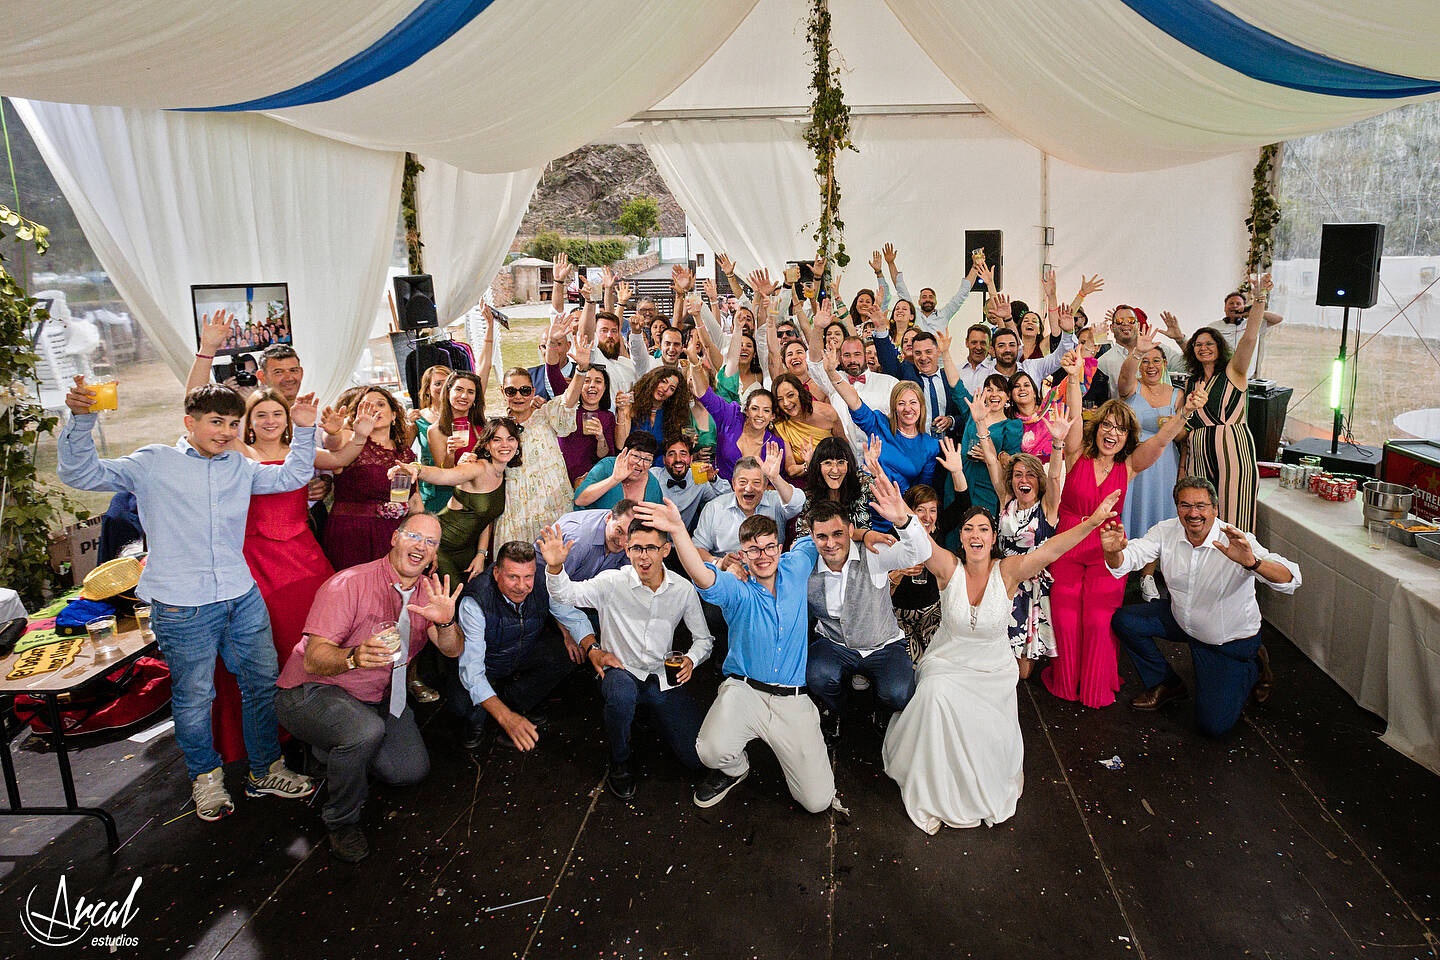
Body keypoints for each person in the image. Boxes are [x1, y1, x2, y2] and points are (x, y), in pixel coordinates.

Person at [58, 379, 317, 821]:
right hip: (181, 604)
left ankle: (265, 771)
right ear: (189, 422)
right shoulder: (153, 462)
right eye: (216, 422)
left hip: (241, 594)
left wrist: (306, 430)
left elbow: (292, 476)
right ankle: (206, 779)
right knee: (196, 697)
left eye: (233, 423)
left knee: (260, 684)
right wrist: (83, 420)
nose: (225, 431)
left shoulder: (239, 464)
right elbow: (80, 475)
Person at [883, 491, 1122, 834]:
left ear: (994, 537)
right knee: (935, 691)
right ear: (961, 537)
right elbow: (919, 538)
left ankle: (979, 782)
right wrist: (901, 514)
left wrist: (1093, 522)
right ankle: (936, 785)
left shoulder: (1008, 571)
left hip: (992, 669)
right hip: (948, 661)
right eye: (968, 529)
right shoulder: (948, 567)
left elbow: (1051, 549)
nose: (976, 535)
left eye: (983, 529)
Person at [273, 514, 465, 862]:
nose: (421, 547)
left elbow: (452, 649)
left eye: (431, 542)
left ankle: (327, 750)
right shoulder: (349, 583)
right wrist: (355, 657)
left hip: (377, 697)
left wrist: (448, 621)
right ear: (394, 538)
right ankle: (341, 821)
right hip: (313, 690)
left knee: (409, 772)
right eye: (414, 536)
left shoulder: (428, 594)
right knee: (365, 731)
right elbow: (314, 660)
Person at [634, 500, 839, 816]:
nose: (763, 556)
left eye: (769, 548)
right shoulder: (736, 587)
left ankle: (801, 744)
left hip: (791, 700)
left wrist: (865, 535)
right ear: (743, 554)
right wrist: (677, 530)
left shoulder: (797, 564)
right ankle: (735, 768)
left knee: (817, 801)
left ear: (780, 547)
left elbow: (826, 536)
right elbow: (702, 575)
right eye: (754, 550)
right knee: (710, 751)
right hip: (745, 690)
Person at [1044, 354, 1206, 709]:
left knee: (1100, 620)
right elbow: (1072, 418)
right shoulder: (1075, 456)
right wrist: (1073, 379)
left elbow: (1163, 440)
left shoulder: (1130, 466)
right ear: (1097, 428)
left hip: (1108, 548)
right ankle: (1067, 681)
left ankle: (1095, 685)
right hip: (1068, 544)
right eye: (1107, 425)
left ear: (1127, 436)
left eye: (1120, 428)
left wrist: (1186, 411)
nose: (1112, 433)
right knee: (1068, 618)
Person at [1104, 477, 1300, 736]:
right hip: (1182, 619)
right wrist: (1112, 551)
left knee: (1213, 727)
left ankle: (1254, 663)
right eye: (1185, 505)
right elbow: (1128, 559)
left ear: (1215, 509)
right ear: (1176, 508)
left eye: (1201, 506)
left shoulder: (1236, 540)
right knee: (1125, 621)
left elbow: (1291, 579)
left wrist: (1252, 563)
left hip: (1226, 640)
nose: (1193, 513)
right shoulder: (1166, 530)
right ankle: (1167, 684)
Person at [540, 519, 713, 799]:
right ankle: (619, 760)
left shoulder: (683, 589)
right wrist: (556, 567)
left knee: (695, 759)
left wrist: (692, 659)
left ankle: (645, 711)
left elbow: (704, 639)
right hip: (620, 670)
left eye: (651, 548)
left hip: (661, 677)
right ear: (628, 551)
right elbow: (565, 594)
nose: (643, 556)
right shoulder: (612, 581)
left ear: (666, 550)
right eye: (636, 549)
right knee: (621, 693)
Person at [210, 389, 337, 763]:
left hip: (304, 553)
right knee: (269, 646)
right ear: (247, 422)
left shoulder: (300, 448)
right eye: (260, 415)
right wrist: (207, 352)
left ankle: (322, 718)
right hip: (259, 558)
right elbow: (197, 404)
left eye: (276, 414)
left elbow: (337, 460)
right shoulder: (239, 452)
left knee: (316, 633)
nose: (269, 421)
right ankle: (273, 730)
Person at [803, 473, 931, 739]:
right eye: (822, 536)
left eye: (838, 534)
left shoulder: (872, 553)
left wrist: (904, 521)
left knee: (899, 693)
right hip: (834, 644)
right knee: (817, 676)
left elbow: (919, 553)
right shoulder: (805, 563)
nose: (830, 543)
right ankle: (837, 711)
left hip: (882, 644)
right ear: (812, 537)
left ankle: (880, 709)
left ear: (851, 531)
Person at [973, 414, 1072, 679]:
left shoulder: (1048, 508)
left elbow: (1053, 478)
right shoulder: (1006, 500)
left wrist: (1057, 442)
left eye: (1029, 474)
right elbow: (993, 462)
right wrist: (981, 425)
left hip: (1031, 588)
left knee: (1022, 673)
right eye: (1017, 475)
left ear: (1037, 481)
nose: (1023, 479)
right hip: (1000, 580)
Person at [456, 541, 578, 750]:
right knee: (462, 708)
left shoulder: (543, 578)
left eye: (527, 577)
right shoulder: (475, 600)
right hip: (488, 661)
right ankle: (482, 715)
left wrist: (589, 644)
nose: (522, 586)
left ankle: (515, 698)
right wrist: (506, 718)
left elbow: (567, 611)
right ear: (496, 573)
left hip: (522, 650)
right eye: (513, 577)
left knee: (568, 653)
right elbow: (472, 669)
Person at [1182, 275, 1270, 533]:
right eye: (1198, 345)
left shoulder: (1234, 371)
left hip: (1231, 448)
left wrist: (1259, 299)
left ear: (1220, 347)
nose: (1204, 348)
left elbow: (1250, 338)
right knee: (1199, 515)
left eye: (1209, 343)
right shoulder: (1192, 381)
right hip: (1198, 453)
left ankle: (1236, 569)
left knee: (1234, 514)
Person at [391, 417, 518, 581]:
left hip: (469, 550)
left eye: (510, 439)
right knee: (453, 599)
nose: (505, 445)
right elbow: (444, 475)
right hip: (442, 546)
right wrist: (417, 469)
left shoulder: (503, 473)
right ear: (487, 444)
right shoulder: (477, 468)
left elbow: (487, 517)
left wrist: (481, 554)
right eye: (497, 440)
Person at [1119, 331, 1186, 601]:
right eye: (1146, 361)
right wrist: (1137, 352)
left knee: (1159, 514)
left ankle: (1148, 575)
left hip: (1165, 461)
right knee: (1129, 512)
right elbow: (1124, 378)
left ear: (1165, 365)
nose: (1151, 366)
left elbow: (1182, 435)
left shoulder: (1178, 394)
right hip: (1135, 460)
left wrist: (1172, 428)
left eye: (1156, 361)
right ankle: (1121, 571)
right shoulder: (1132, 388)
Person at [321, 386, 420, 570]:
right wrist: (333, 432)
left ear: (394, 415)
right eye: (366, 405)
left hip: (394, 537)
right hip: (353, 534)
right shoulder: (350, 437)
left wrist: (423, 539)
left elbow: (415, 500)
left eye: (380, 404)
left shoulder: (406, 454)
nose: (374, 409)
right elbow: (332, 444)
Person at [492, 363, 584, 547]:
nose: (518, 396)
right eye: (511, 391)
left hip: (554, 509)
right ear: (503, 392)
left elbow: (568, 401)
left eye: (525, 391)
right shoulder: (496, 427)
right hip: (516, 515)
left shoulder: (547, 415)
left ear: (533, 391)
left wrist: (581, 370)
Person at [539, 503, 636, 662]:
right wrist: (569, 631)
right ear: (609, 518)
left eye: (629, 537)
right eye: (619, 531)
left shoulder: (628, 541)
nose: (622, 542)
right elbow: (556, 593)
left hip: (582, 590)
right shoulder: (578, 541)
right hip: (543, 586)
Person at [824, 362, 939, 495]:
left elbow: (923, 490)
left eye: (913, 402)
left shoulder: (931, 445)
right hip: (868, 501)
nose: (908, 409)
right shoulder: (880, 425)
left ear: (921, 407)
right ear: (894, 408)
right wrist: (833, 374)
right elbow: (855, 402)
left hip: (901, 507)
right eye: (901, 403)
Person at [691, 448, 806, 561]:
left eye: (756, 482)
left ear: (766, 484)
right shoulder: (714, 507)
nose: (749, 488)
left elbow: (797, 504)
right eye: (743, 482)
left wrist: (775, 478)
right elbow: (697, 548)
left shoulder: (775, 500)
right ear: (733, 483)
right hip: (726, 575)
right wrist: (719, 562)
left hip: (769, 571)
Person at [948, 370, 1023, 515]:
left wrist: (991, 458)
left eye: (1000, 390)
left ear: (1008, 396)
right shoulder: (972, 412)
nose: (994, 394)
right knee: (953, 530)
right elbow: (957, 388)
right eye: (989, 390)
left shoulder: (1012, 426)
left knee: (980, 529)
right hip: (958, 480)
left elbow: (1012, 463)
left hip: (986, 486)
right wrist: (945, 352)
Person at [886, 244, 982, 335]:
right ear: (919, 302)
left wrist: (975, 267)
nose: (927, 299)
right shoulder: (913, 314)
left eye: (931, 297)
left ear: (936, 301)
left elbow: (962, 294)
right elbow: (900, 288)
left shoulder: (944, 314)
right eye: (924, 297)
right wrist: (891, 263)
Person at [1095, 305, 1185, 398]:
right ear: (1112, 327)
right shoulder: (1103, 362)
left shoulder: (1158, 349)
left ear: (1138, 325)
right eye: (1119, 321)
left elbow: (1188, 367)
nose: (1125, 324)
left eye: (1131, 320)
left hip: (1165, 411)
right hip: (1125, 412)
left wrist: (1180, 339)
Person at [650, 434, 730, 530]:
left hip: (684, 541)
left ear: (691, 459)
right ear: (664, 460)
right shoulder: (653, 476)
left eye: (683, 454)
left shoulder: (698, 478)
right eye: (671, 454)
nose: (678, 459)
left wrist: (714, 480)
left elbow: (728, 499)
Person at [574, 433, 663, 510]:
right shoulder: (606, 466)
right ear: (624, 453)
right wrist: (614, 479)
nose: (640, 463)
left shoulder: (653, 483)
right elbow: (579, 500)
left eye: (647, 459)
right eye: (636, 456)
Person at [559, 364, 614, 485]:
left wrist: (600, 437)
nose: (592, 385)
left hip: (590, 480)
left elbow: (606, 457)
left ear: (605, 388)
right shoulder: (567, 411)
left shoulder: (608, 417)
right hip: (561, 478)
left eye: (598, 381)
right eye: (586, 381)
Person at [409, 364, 453, 511]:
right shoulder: (418, 417)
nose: (443, 387)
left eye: (447, 383)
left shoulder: (461, 414)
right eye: (438, 383)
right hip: (431, 488)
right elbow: (404, 448)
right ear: (428, 388)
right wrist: (408, 424)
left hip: (458, 483)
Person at [1213, 289, 1283, 377]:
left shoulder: (1253, 324)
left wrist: (1251, 311)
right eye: (1231, 303)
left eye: (1238, 304)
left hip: (1246, 377)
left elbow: (1278, 319)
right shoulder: (1213, 326)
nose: (1234, 306)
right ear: (1224, 308)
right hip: (1221, 374)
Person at [618, 365, 691, 448]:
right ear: (653, 380)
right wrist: (621, 411)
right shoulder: (632, 405)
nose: (665, 389)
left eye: (672, 388)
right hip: (632, 459)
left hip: (660, 460)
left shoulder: (673, 416)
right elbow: (620, 445)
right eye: (664, 381)